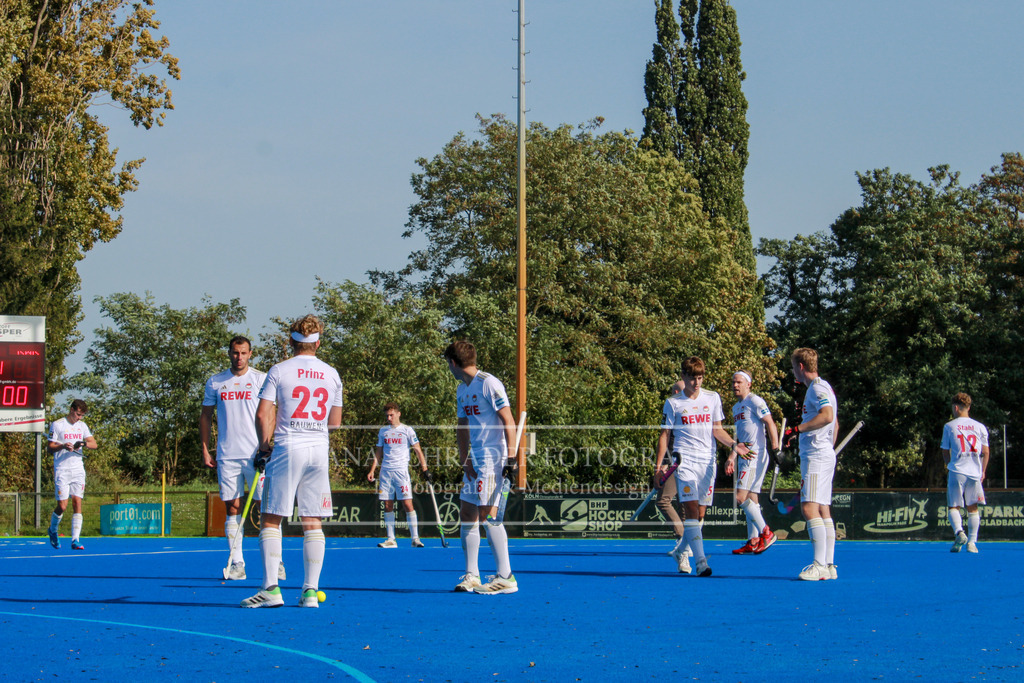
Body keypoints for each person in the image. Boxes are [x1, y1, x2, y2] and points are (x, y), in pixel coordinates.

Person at [241, 315, 343, 608]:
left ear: (291, 342)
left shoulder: (279, 370)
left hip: (287, 448)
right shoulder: (332, 374)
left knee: (271, 518)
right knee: (313, 521)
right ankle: (310, 592)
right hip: (318, 451)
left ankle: (271, 590)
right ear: (318, 343)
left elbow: (262, 414)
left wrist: (263, 447)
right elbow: (334, 423)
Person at [200, 335, 285, 581]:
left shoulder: (260, 379)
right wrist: (206, 449)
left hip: (256, 455)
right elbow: (205, 416)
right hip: (227, 455)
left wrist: (266, 447)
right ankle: (237, 563)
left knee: (266, 508)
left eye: (243, 353)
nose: (239, 357)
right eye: (235, 353)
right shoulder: (216, 382)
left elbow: (270, 414)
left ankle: (276, 561)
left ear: (250, 354)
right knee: (233, 507)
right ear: (229, 353)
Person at [656, 357, 749, 577]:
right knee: (689, 509)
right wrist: (658, 467)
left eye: (700, 378)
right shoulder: (673, 403)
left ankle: (681, 551)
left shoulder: (712, 398)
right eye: (692, 378)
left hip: (708, 461)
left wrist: (734, 445)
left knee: (699, 514)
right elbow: (664, 435)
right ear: (683, 377)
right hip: (685, 460)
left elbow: (717, 430)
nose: (696, 383)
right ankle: (700, 562)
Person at [444, 340, 519, 595]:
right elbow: (462, 426)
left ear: (453, 363)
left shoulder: (489, 383)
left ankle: (506, 577)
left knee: (490, 517)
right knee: (467, 514)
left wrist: (511, 458)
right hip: (474, 460)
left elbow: (508, 419)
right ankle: (472, 575)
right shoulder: (461, 390)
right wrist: (465, 459)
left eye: (448, 364)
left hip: (492, 458)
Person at [786, 347, 839, 581]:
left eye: (792, 367)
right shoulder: (824, 387)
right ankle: (828, 565)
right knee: (823, 508)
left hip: (816, 455)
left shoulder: (817, 388)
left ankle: (819, 564)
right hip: (823, 452)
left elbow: (827, 416)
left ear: (800, 367)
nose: (792, 372)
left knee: (809, 508)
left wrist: (797, 429)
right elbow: (834, 425)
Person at [725, 370, 780, 555]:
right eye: (733, 382)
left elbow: (770, 423)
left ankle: (767, 532)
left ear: (749, 384)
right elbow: (738, 438)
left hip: (755, 455)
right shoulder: (735, 408)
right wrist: (732, 457)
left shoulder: (755, 401)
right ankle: (754, 540)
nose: (735, 385)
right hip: (744, 456)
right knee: (752, 498)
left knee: (741, 497)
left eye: (739, 382)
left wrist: (776, 448)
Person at [368, 402, 430, 548]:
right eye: (387, 416)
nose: (389, 418)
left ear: (398, 414)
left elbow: (418, 450)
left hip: (401, 472)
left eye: (391, 415)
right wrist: (372, 470)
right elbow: (378, 452)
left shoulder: (407, 430)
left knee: (407, 503)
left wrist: (425, 469)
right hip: (386, 472)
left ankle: (415, 538)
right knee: (387, 504)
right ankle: (391, 539)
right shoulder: (383, 431)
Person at [940, 392, 989, 554]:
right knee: (973, 508)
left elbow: (945, 450)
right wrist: (982, 471)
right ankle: (972, 543)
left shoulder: (949, 426)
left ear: (955, 408)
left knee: (953, 506)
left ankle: (959, 533)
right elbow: (986, 452)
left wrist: (949, 465)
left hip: (957, 470)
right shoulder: (980, 426)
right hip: (974, 472)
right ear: (968, 407)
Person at [47, 399, 98, 550]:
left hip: (77, 469)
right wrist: (63, 445)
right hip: (62, 469)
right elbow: (50, 447)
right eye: (77, 414)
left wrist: (83, 443)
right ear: (71, 410)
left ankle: (75, 539)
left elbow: (94, 444)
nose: (79, 418)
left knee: (77, 502)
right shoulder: (58, 425)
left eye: (81, 415)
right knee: (62, 506)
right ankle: (53, 530)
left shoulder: (82, 426)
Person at [655, 381, 689, 572]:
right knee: (681, 502)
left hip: (682, 462)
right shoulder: (674, 406)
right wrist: (661, 464)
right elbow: (666, 437)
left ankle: (684, 540)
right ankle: (685, 543)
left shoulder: (686, 406)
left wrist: (663, 465)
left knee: (665, 501)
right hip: (675, 461)